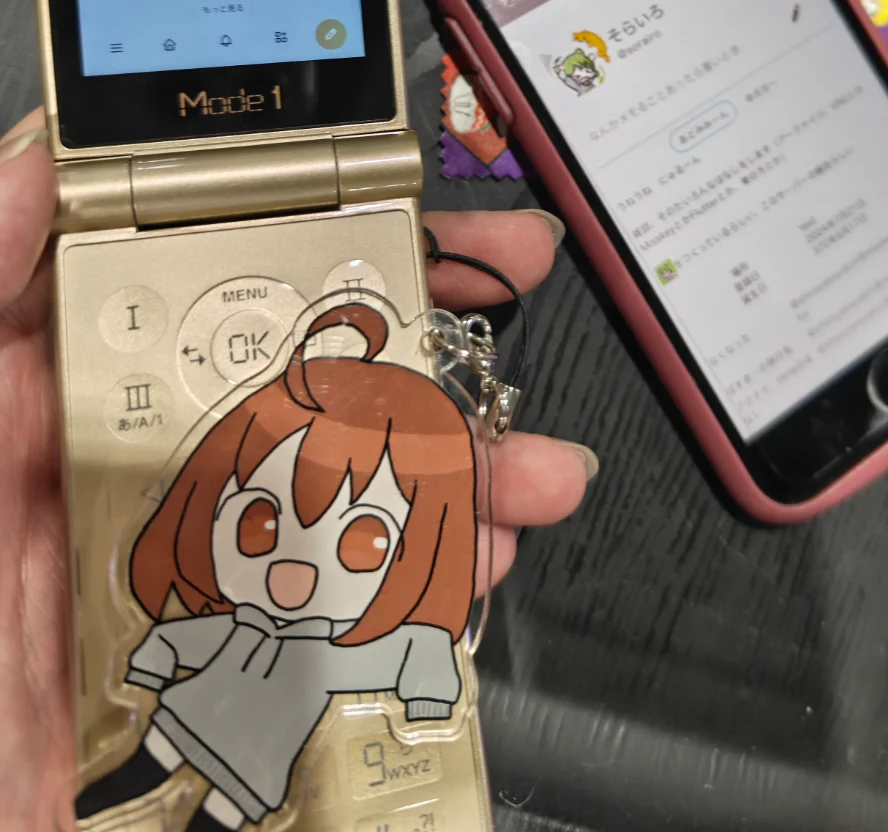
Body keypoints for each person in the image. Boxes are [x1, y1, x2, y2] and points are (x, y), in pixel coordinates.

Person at [0, 108, 596, 828]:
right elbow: (199, 637)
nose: (294, 567)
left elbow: (404, 654)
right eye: (258, 521)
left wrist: (428, 690)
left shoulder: (332, 659)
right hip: (176, 723)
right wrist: (154, 656)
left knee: (208, 817)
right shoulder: (246, 630)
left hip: (252, 767)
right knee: (124, 780)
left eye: (365, 542)